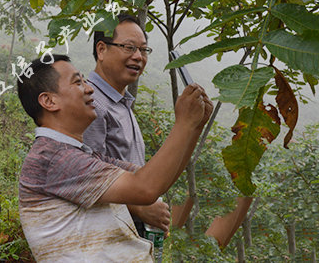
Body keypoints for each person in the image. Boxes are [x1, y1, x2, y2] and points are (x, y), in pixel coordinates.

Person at [17, 55, 213, 261]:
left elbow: (155, 181)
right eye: (77, 82)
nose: (89, 88)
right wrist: (184, 124)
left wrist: (194, 127)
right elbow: (146, 188)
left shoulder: (79, 155)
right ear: (49, 101)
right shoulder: (54, 158)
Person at [83, 14, 170, 234]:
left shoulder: (120, 102)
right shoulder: (91, 102)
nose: (138, 57)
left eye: (143, 50)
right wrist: (138, 207)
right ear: (101, 50)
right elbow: (84, 178)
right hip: (104, 234)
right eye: (129, 47)